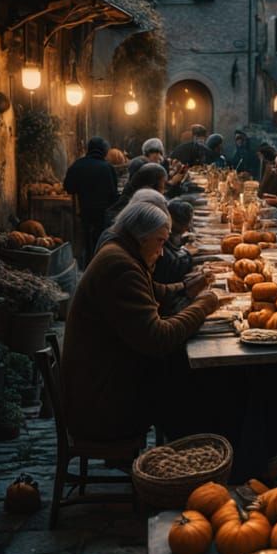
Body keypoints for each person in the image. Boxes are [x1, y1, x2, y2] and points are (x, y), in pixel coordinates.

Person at [61, 202, 219, 443]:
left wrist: (185, 288)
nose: (163, 251)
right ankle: (191, 457)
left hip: (104, 380)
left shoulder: (122, 251)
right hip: (104, 402)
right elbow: (158, 339)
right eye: (160, 242)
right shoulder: (121, 266)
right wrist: (203, 305)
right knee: (202, 388)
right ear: (141, 236)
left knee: (190, 377)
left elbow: (151, 290)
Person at [63, 137, 119, 266]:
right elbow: (113, 195)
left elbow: (68, 187)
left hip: (84, 210)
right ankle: (99, 265)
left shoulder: (78, 165)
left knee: (86, 240)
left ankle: (86, 265)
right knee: (100, 240)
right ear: (104, 151)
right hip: (102, 212)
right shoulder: (107, 167)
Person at [105, 162, 168, 227]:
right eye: (164, 184)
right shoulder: (133, 211)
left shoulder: (130, 200)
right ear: (150, 186)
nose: (164, 189)